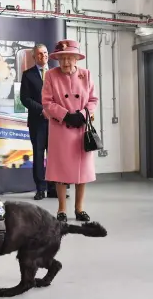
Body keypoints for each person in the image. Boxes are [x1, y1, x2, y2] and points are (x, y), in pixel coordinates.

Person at [42, 39, 98, 222]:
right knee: (60, 171)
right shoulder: (51, 75)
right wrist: (65, 115)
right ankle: (61, 210)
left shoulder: (86, 75)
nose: (65, 62)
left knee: (81, 173)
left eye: (69, 58)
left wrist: (83, 114)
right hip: (61, 129)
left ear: (76, 59)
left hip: (80, 129)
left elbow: (93, 100)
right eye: (62, 58)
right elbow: (47, 102)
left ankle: (79, 208)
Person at [20, 44, 59, 200]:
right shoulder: (27, 75)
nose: (43, 56)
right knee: (38, 155)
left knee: (54, 156)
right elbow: (25, 98)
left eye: (45, 53)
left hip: (55, 122)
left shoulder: (56, 73)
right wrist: (42, 110)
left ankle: (53, 188)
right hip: (38, 121)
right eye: (40, 54)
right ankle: (40, 189)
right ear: (34, 57)